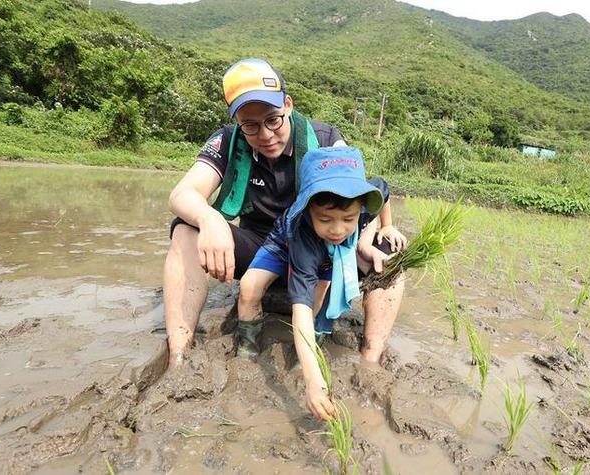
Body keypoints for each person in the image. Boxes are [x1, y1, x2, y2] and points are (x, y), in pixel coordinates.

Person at [163, 58, 403, 373]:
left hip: (318, 249)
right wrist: (210, 219)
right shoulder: (227, 141)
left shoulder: (326, 140)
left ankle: (370, 360)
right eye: (250, 125)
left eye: (273, 119)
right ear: (237, 121)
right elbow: (181, 195)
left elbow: (356, 197)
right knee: (185, 228)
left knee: (391, 253)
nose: (265, 134)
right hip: (261, 249)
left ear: (287, 105)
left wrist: (369, 237)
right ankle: (178, 356)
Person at [236, 146, 407, 421]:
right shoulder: (305, 236)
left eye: (348, 219)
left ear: (361, 206)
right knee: (248, 289)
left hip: (326, 253)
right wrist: (315, 384)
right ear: (307, 209)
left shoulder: (361, 201)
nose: (338, 229)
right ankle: (246, 348)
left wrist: (386, 225)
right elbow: (299, 310)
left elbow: (382, 189)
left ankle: (310, 346)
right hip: (282, 244)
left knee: (320, 293)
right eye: (325, 219)